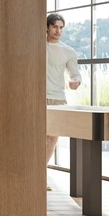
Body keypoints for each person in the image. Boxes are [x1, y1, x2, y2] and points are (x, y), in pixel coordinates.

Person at [46, 13, 82, 167]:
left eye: (61, 28)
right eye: (54, 26)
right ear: (47, 27)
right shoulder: (34, 46)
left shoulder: (68, 51)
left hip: (58, 98)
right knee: (35, 137)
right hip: (35, 97)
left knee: (52, 137)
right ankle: (34, 175)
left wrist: (76, 82)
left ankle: (41, 173)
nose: (58, 30)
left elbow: (76, 74)